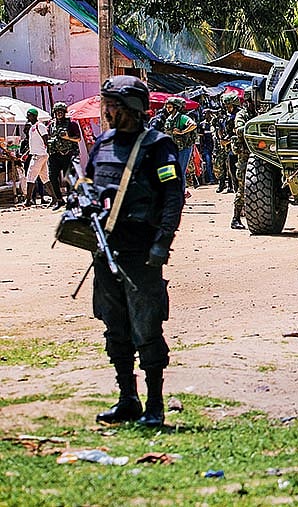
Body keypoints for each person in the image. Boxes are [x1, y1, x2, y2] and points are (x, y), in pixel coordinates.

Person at [86, 75, 184, 425]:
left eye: (112, 105)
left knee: (146, 327)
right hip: (105, 251)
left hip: (141, 253)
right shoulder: (103, 144)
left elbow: (172, 197)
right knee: (115, 326)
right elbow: (88, 184)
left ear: (131, 108)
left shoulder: (158, 146)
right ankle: (127, 398)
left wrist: (162, 243)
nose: (107, 112)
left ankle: (154, 404)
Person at [231, 85, 260, 229]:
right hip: (245, 156)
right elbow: (239, 130)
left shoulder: (259, 113)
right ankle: (235, 218)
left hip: (260, 155)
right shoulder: (242, 115)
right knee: (243, 189)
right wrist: (256, 126)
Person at [46, 102, 82, 209]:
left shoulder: (72, 124)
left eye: (61, 111)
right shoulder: (51, 125)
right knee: (52, 177)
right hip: (54, 155)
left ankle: (71, 201)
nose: (59, 114)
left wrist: (68, 138)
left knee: (69, 179)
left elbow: (78, 139)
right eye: (57, 112)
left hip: (68, 154)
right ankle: (59, 200)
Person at [161, 97, 198, 195]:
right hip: (173, 148)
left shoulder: (182, 117)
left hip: (184, 148)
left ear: (176, 107)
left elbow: (193, 124)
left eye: (170, 107)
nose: (168, 109)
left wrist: (182, 132)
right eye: (167, 107)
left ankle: (181, 193)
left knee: (181, 170)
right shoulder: (169, 119)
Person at [21, 107, 55, 208]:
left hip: (39, 155)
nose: (28, 117)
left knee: (30, 177)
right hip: (39, 154)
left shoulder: (40, 126)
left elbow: (46, 139)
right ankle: (54, 198)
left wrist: (46, 151)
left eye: (29, 116)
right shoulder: (32, 127)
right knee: (45, 178)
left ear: (35, 116)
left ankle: (28, 201)